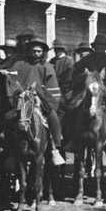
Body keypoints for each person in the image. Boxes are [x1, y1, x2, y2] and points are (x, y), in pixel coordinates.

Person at [9, 36, 68, 167]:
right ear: (29, 51)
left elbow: (52, 87)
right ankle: (9, 150)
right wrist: (18, 90)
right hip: (22, 98)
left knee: (53, 117)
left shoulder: (47, 66)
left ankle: (55, 148)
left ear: (43, 52)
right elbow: (11, 79)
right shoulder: (20, 64)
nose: (36, 54)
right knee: (8, 118)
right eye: (33, 51)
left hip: (41, 99)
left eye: (39, 51)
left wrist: (40, 93)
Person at [70, 33, 106, 148]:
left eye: (102, 45)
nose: (99, 47)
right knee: (73, 107)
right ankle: (72, 137)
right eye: (97, 45)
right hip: (88, 89)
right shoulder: (86, 60)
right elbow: (75, 73)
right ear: (94, 47)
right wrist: (84, 77)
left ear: (105, 47)